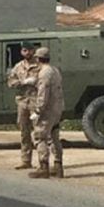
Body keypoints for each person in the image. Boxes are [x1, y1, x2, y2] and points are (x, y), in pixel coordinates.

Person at [28, 47, 65, 179]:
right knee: (55, 137)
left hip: (47, 110)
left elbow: (43, 94)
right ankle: (58, 166)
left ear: (38, 59)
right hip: (57, 109)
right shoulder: (55, 70)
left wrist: (38, 110)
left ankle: (43, 167)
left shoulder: (44, 73)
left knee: (40, 137)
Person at [7, 43, 40, 170]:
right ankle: (26, 160)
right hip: (22, 102)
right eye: (24, 50)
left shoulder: (39, 65)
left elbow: (44, 81)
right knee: (24, 132)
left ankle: (43, 162)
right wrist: (23, 82)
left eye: (29, 50)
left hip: (35, 101)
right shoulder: (18, 67)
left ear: (33, 51)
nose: (27, 53)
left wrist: (35, 81)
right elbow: (10, 82)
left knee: (39, 132)